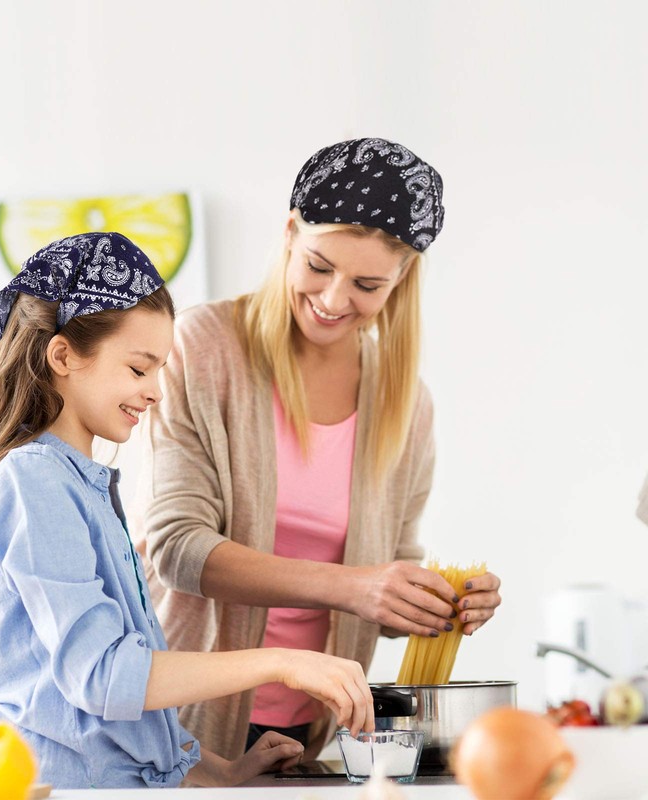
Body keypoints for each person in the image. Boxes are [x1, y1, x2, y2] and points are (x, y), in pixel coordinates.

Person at [0, 232, 374, 790]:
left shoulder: (81, 485)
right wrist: (282, 661)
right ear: (63, 355)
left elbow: (127, 715)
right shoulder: (34, 481)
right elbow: (104, 676)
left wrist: (224, 770)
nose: (156, 391)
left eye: (160, 370)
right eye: (140, 370)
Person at [134, 137, 503, 761]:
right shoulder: (202, 349)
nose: (334, 300)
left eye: (366, 283)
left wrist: (435, 600)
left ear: (403, 276)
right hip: (186, 726)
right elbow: (177, 549)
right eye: (318, 266)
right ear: (288, 234)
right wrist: (355, 586)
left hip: (322, 733)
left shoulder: (407, 404)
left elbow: (385, 593)